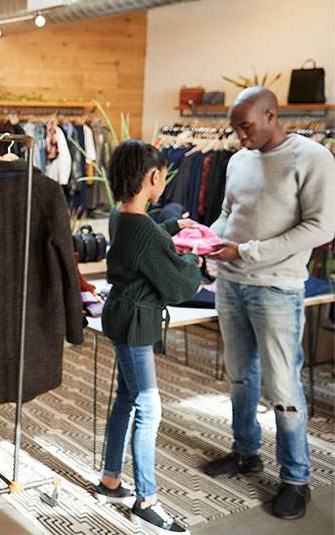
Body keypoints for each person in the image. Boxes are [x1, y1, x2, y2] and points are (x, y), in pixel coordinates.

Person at [204, 87, 335, 520]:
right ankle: (246, 451)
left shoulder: (313, 158)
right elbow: (229, 213)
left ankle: (296, 478)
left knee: (282, 385)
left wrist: (246, 251)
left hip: (277, 288)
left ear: (272, 115)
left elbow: (319, 227)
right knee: (240, 377)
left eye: (247, 127)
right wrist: (205, 237)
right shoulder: (239, 160)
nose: (240, 137)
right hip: (231, 284)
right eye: (235, 129)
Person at [96, 140, 201, 535]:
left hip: (122, 316)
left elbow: (145, 236)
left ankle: (110, 480)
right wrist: (196, 258)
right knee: (149, 408)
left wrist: (173, 228)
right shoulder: (142, 229)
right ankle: (146, 500)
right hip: (136, 324)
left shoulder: (118, 215)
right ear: (155, 177)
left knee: (126, 398)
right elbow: (179, 285)